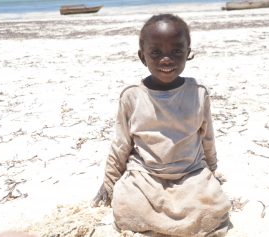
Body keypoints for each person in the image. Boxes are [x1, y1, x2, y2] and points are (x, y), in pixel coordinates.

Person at [92, 13, 231, 236]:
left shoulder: (197, 93)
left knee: (213, 207)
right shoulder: (132, 96)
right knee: (128, 207)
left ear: (188, 52)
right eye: (156, 52)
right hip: (146, 173)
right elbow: (120, 144)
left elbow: (207, 138)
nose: (166, 60)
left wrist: (212, 171)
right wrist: (108, 183)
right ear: (142, 56)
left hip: (190, 172)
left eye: (176, 51)